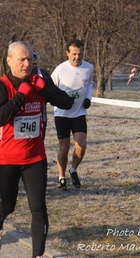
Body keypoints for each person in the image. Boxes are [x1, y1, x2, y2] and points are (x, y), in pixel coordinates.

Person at [0, 41, 74, 257]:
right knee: (8, 206)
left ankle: (37, 254)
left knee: (38, 207)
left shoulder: (41, 79)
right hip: (6, 158)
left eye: (30, 59)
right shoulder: (1, 85)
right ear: (9, 61)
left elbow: (67, 103)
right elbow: (0, 117)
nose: (27, 64)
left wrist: (46, 90)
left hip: (35, 157)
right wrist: (22, 94)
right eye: (22, 60)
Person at [51, 39, 94, 190]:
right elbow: (51, 88)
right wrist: (60, 100)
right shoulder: (60, 70)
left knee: (81, 146)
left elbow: (89, 85)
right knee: (64, 147)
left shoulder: (89, 68)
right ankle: (61, 177)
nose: (77, 57)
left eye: (80, 54)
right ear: (67, 53)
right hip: (62, 114)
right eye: (74, 54)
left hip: (79, 112)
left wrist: (88, 98)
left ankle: (73, 169)